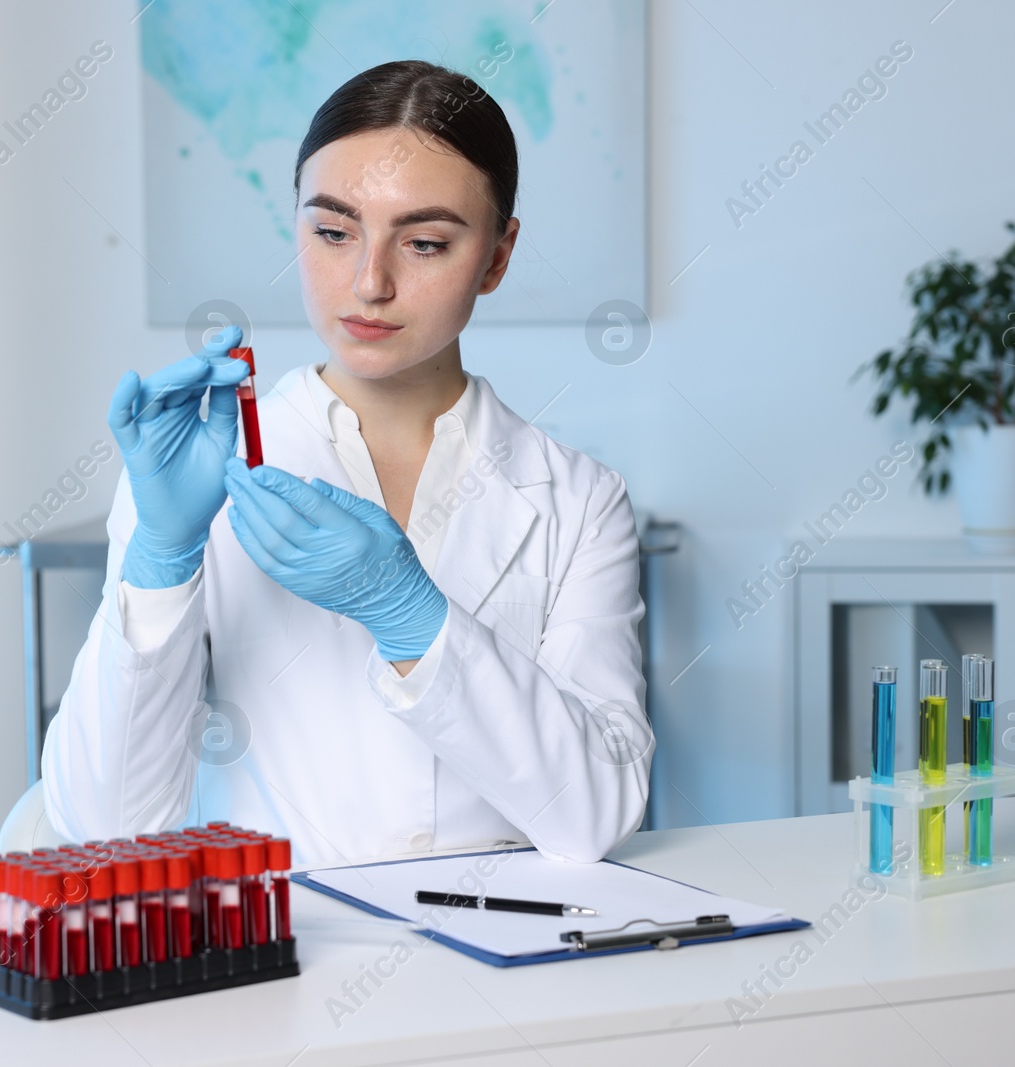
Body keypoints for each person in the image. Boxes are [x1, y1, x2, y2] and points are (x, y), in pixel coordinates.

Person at [43, 59, 651, 868]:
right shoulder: (198, 475)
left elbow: (596, 813)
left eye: (426, 242)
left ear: (498, 257)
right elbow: (107, 830)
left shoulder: (578, 500)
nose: (369, 282)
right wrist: (160, 562)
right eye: (333, 232)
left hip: (509, 953)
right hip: (281, 953)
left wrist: (412, 617)